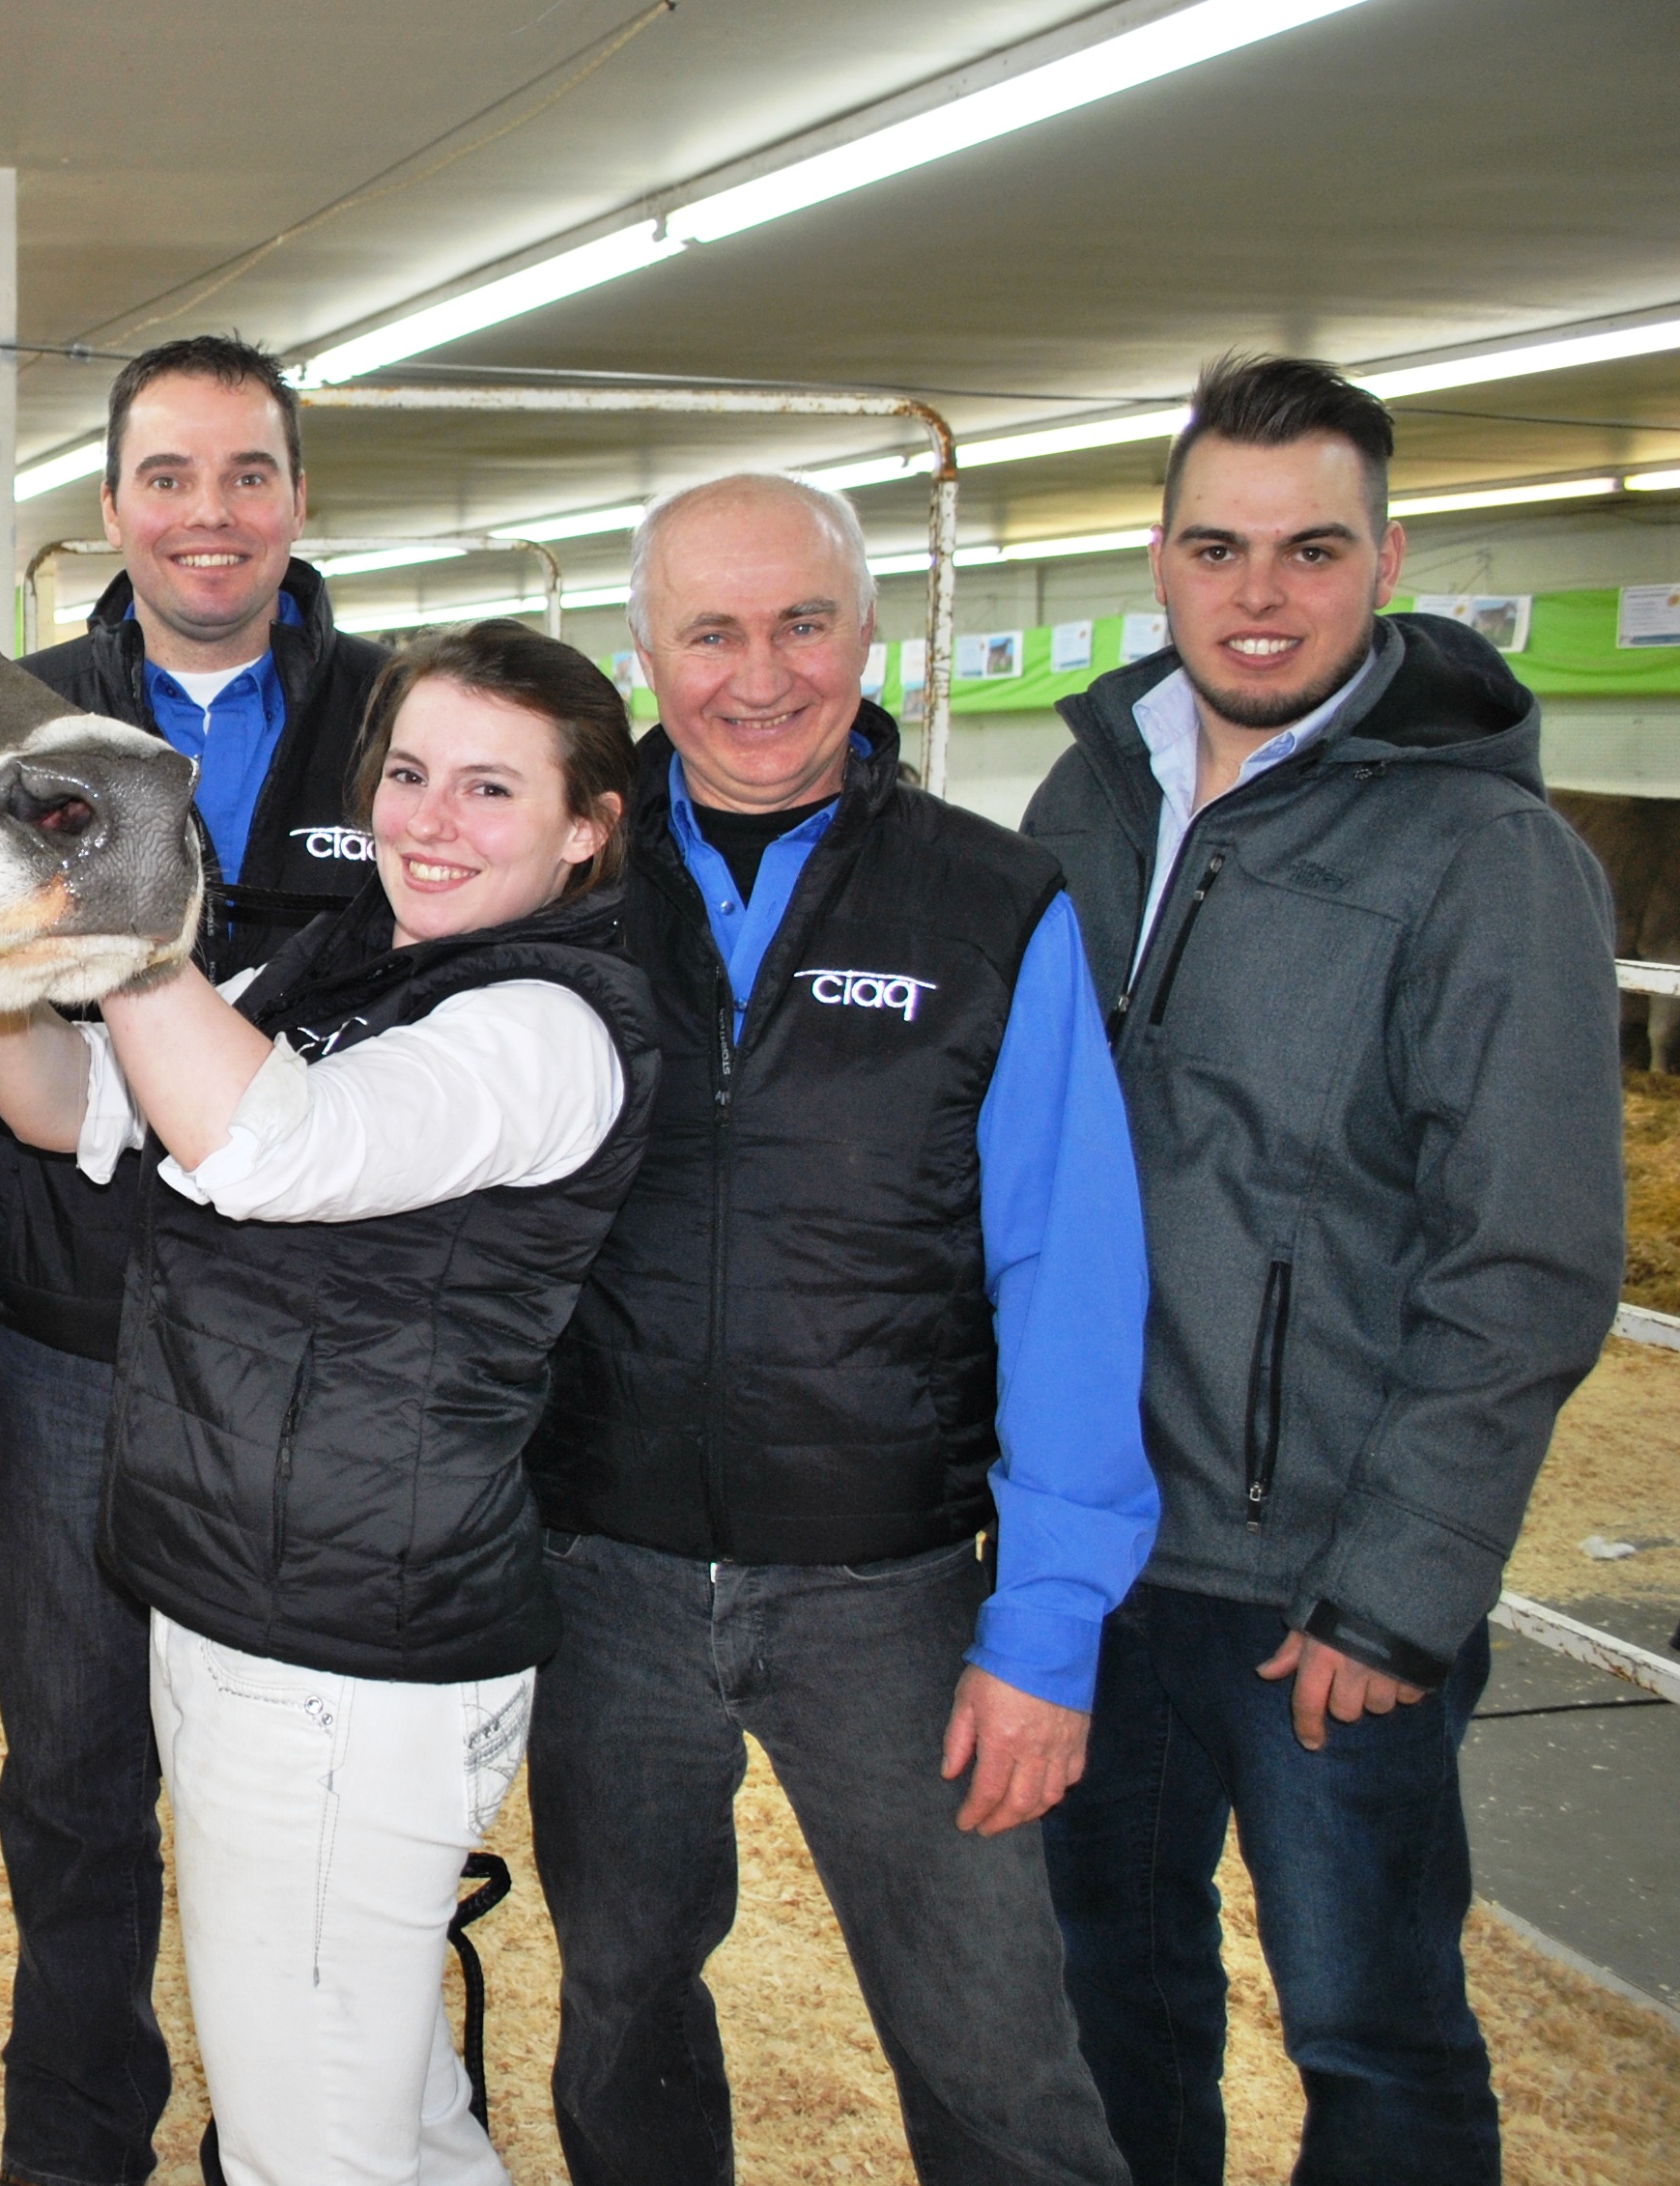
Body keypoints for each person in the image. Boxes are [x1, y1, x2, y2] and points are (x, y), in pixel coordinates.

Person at [1024, 355, 1626, 2186]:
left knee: (1371, 2033)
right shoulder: (1085, 806)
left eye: (1313, 549)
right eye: (1218, 547)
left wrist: (1400, 1594)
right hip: (1093, 1552)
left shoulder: (1484, 856)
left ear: (1390, 559)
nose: (1260, 593)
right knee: (1106, 1997)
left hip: (1318, 1586)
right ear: (1160, 559)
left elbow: (1530, 1258)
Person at [523, 472, 1158, 2186]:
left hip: (893, 1593)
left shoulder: (990, 902)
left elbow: (1071, 1273)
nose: (761, 676)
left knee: (998, 2061)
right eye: (710, 633)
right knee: (622, 2013)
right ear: (644, 651)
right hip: (601, 1579)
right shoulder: (555, 883)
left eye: (803, 623)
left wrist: (1047, 1627)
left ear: (870, 633)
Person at [0, 620, 654, 2186]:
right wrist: (5, 956)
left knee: (308, 2152)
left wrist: (132, 912)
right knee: (395, 2121)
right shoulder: (342, 965)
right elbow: (73, 1104)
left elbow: (268, 1148)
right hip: (249, 1609)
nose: (430, 819)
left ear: (587, 828)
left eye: (492, 788)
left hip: (349, 1664)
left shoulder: (545, 1026)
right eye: (409, 774)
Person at [0, 331, 386, 2186]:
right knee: (74, 1782)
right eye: (169, 476)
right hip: (74, 1347)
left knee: (303, 1792)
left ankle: (298, 2145)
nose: (207, 515)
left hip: (326, 1364)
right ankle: (73, 2147)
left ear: (298, 498)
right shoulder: (16, 728)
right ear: (110, 505)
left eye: (246, 474)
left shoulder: (401, 727)